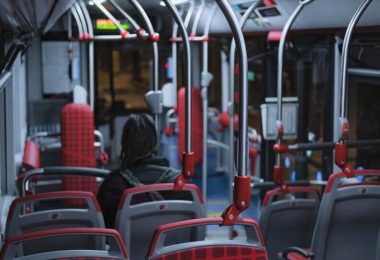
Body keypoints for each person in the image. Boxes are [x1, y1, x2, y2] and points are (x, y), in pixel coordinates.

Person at [97, 113, 181, 228]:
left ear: (124, 143)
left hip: (125, 246)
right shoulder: (179, 183)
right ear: (155, 142)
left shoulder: (112, 186)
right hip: (172, 245)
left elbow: (104, 227)